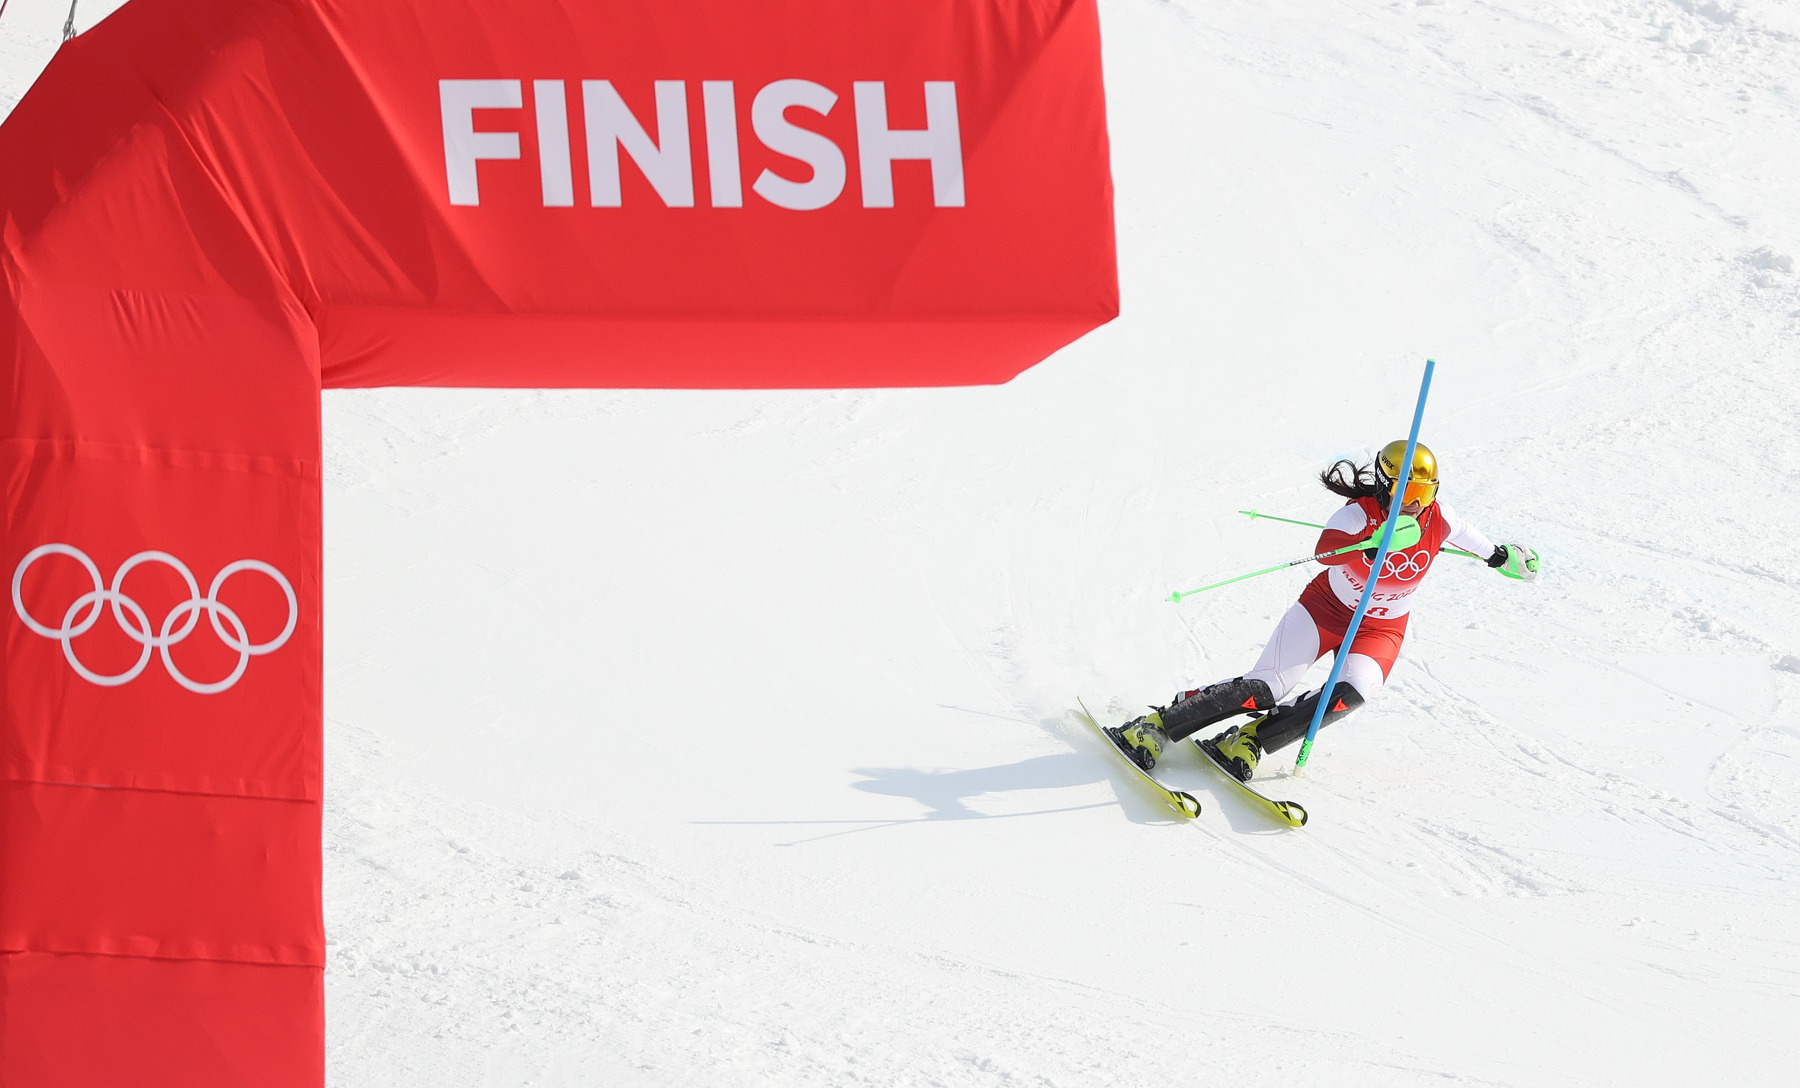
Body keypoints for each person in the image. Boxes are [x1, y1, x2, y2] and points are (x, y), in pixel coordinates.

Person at [1112, 440, 1538, 781]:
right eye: (1406, 491)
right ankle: (1155, 726)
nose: (1413, 502)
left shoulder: (1441, 519)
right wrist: (1374, 541)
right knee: (1264, 689)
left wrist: (1511, 560)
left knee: (1350, 694)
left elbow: (1493, 553)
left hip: (1380, 629)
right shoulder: (1359, 514)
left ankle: (1248, 742)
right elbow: (1326, 551)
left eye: (1423, 493)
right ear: (1386, 485)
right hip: (1324, 611)